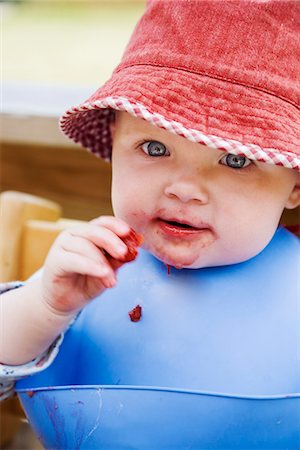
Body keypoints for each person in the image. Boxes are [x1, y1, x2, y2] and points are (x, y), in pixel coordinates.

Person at [0, 0, 299, 405]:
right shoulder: (88, 270)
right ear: (116, 136)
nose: (184, 188)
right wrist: (46, 307)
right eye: (155, 147)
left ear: (294, 185)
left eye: (235, 159)